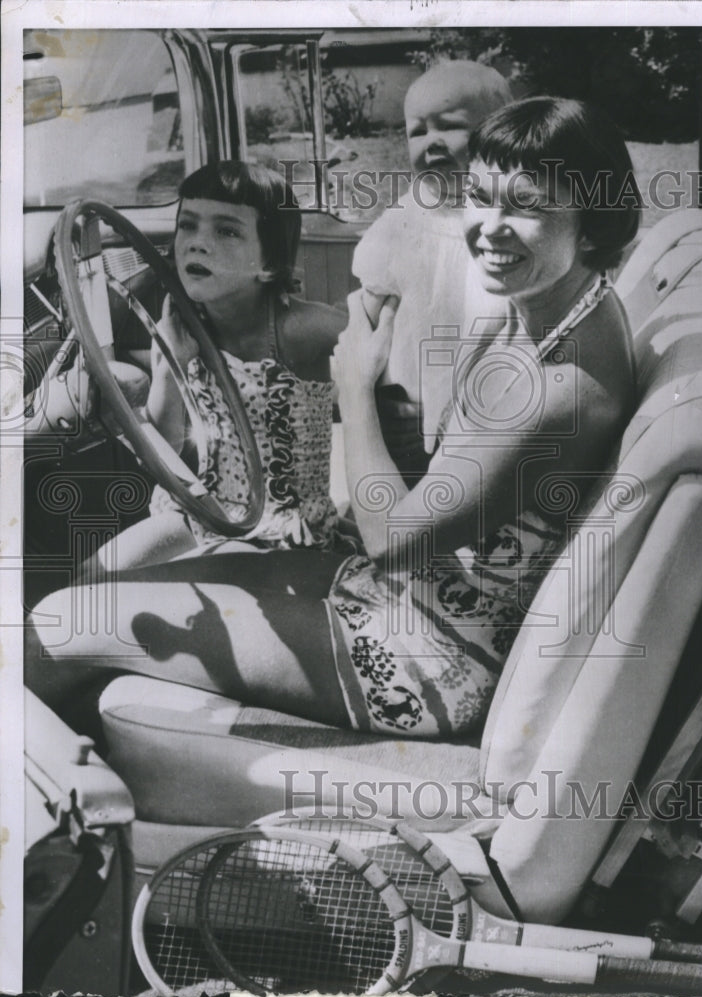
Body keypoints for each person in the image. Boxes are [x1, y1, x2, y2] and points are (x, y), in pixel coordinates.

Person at [27, 97, 639, 739]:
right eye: (480, 197)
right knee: (104, 592)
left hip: (427, 657)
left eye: (527, 205)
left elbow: (395, 543)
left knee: (66, 623)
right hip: (406, 592)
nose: (490, 227)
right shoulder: (556, 314)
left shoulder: (561, 388)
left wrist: (352, 384)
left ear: (594, 223)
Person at [88, 161, 349, 574]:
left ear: (268, 265)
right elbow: (166, 447)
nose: (197, 243)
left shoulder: (300, 329)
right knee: (93, 578)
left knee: (176, 588)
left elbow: (373, 340)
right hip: (202, 509)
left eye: (225, 231)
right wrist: (172, 364)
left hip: (285, 528)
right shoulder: (176, 329)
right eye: (187, 226)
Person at [352, 60, 512, 476]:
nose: (432, 141)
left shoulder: (511, 227)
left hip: (493, 419)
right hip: (410, 416)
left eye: (449, 126)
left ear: (502, 133)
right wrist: (378, 400)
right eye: (417, 131)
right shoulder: (401, 226)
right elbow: (363, 324)